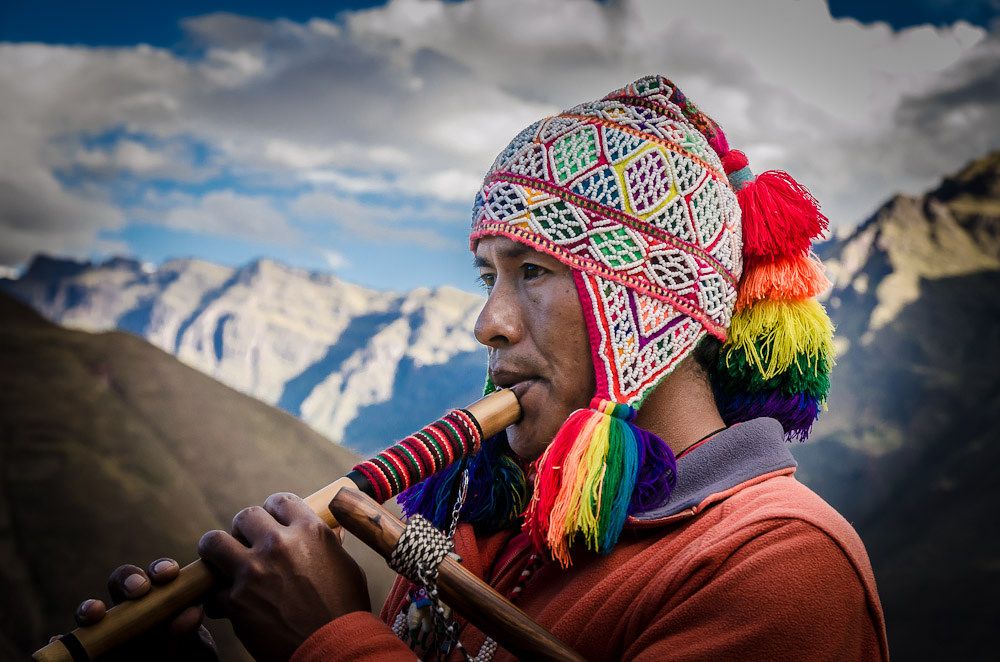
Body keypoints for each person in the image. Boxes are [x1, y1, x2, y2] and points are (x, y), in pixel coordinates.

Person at [67, 75, 888, 661]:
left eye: (533, 272)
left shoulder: (781, 569)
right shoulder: (492, 519)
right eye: (487, 275)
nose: (486, 323)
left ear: (652, 313)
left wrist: (328, 641)